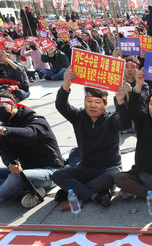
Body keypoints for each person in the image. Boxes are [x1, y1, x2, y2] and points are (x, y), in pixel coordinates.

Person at [52, 69, 132, 208]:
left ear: (105, 105)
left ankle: (73, 191)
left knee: (108, 179)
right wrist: (66, 85)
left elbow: (125, 124)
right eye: (89, 101)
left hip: (109, 167)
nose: (93, 105)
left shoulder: (111, 118)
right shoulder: (78, 116)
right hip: (85, 167)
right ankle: (95, 195)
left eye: (97, 102)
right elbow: (61, 106)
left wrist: (120, 102)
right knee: (57, 176)